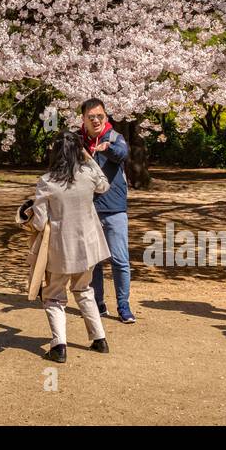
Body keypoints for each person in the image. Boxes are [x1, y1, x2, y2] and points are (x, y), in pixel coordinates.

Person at [23, 130, 112, 363]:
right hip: (88, 246)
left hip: (60, 248)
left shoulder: (47, 181)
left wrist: (27, 214)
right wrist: (89, 158)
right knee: (84, 290)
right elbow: (105, 186)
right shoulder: (87, 175)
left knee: (53, 296)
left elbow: (40, 222)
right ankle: (99, 338)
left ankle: (59, 345)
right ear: (78, 151)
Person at [79, 98, 135, 323]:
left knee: (120, 259)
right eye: (91, 117)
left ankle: (124, 306)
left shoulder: (115, 137)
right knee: (94, 262)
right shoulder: (78, 141)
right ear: (83, 119)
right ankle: (98, 303)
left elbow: (122, 154)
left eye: (100, 116)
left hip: (114, 208)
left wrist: (107, 148)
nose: (96, 120)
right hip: (88, 208)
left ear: (106, 117)